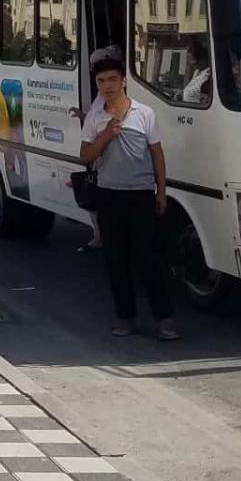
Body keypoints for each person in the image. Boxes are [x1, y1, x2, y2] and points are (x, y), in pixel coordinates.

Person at [79, 51, 178, 340]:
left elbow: (157, 154)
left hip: (141, 196)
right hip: (108, 196)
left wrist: (161, 192)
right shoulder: (95, 117)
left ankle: (165, 318)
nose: (107, 86)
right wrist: (106, 134)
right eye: (101, 81)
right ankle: (125, 316)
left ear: (124, 81)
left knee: (147, 257)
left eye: (112, 79)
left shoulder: (144, 113)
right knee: (115, 258)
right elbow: (85, 156)